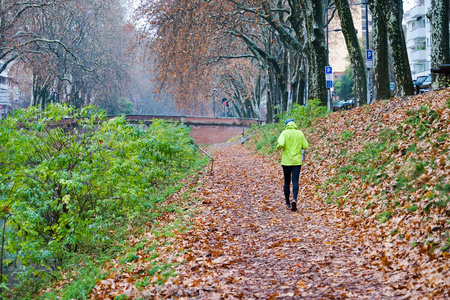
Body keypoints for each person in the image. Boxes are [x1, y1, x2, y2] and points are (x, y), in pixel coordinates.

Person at [276, 118, 309, 212]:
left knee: (286, 181)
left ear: (286, 124)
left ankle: (287, 203)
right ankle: (294, 199)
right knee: (295, 181)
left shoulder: (284, 133)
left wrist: (278, 147)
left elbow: (280, 144)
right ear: (294, 124)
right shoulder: (300, 133)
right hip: (297, 162)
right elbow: (305, 145)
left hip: (286, 161)